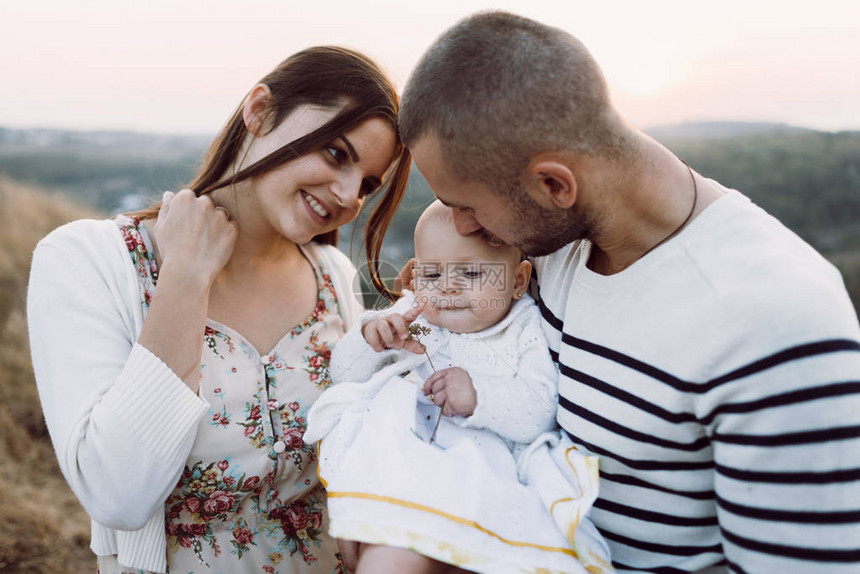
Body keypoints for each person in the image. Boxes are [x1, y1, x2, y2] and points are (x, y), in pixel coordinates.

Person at [396, 11, 860, 574]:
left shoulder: (775, 320)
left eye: (466, 206)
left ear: (553, 185)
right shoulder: (547, 250)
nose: (463, 229)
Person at [27, 46, 411, 574]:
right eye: (336, 153)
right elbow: (115, 493)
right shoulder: (87, 261)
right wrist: (185, 276)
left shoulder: (334, 278)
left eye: (368, 185)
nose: (348, 195)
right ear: (259, 110)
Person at [303, 201, 613, 574]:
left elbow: (539, 412)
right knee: (390, 558)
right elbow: (345, 374)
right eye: (432, 275)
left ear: (517, 281)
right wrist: (375, 338)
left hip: (482, 478)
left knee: (481, 558)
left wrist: (479, 396)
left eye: (470, 273)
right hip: (407, 470)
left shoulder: (518, 331)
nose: (448, 288)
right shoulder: (416, 321)